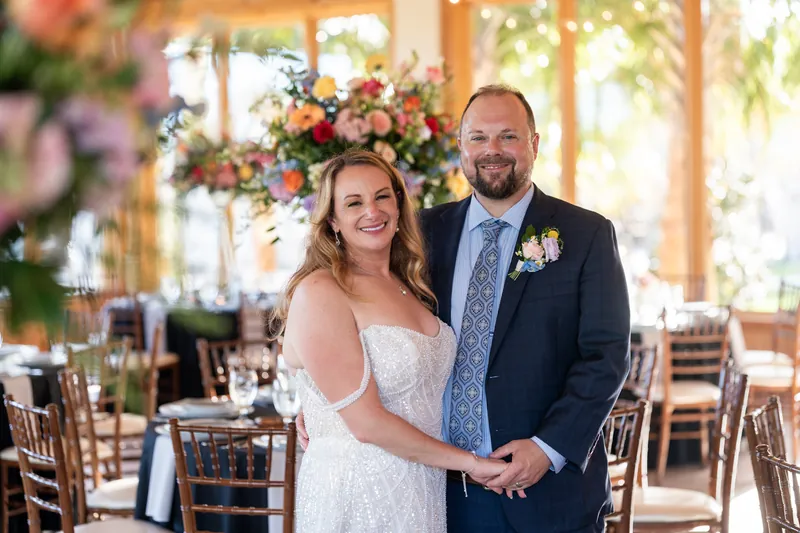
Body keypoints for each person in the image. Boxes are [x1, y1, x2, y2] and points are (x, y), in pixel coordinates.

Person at [419, 84, 631, 532]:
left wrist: (548, 447)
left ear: (534, 145)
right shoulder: (422, 233)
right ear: (460, 147)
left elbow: (606, 357)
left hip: (547, 495)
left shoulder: (586, 234)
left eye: (507, 136)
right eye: (477, 137)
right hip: (439, 493)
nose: (491, 150)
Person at [271, 149, 507, 533]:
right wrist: (472, 463)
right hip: (357, 490)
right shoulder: (320, 290)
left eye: (382, 196)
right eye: (353, 202)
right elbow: (365, 423)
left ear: (399, 204)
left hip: (421, 486)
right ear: (332, 220)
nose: (372, 211)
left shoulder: (410, 285)